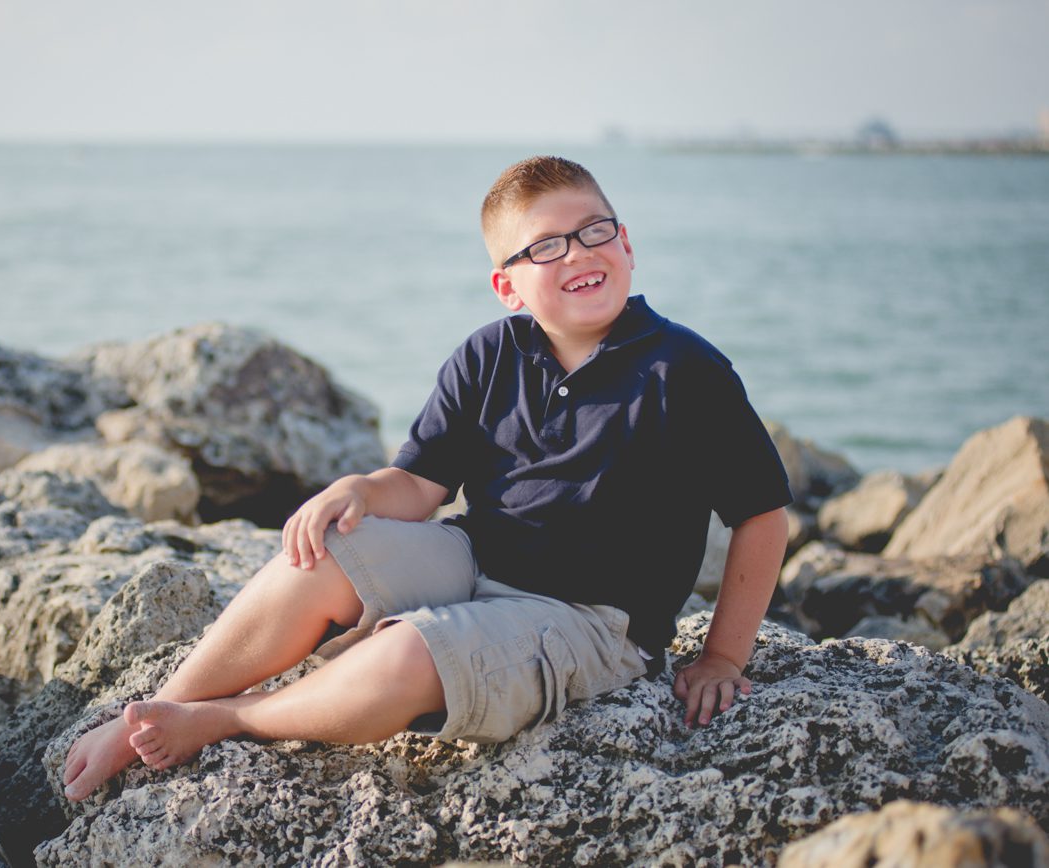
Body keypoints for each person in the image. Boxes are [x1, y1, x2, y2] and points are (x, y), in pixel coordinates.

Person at [62, 155, 792, 803]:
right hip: (473, 558)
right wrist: (360, 491)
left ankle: (223, 720)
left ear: (626, 245)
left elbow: (761, 516)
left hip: (590, 620)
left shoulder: (686, 372)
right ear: (508, 285)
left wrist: (723, 656)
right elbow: (420, 486)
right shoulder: (487, 356)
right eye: (545, 246)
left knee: (414, 649)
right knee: (319, 553)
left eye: (595, 231)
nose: (577, 253)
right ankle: (156, 712)